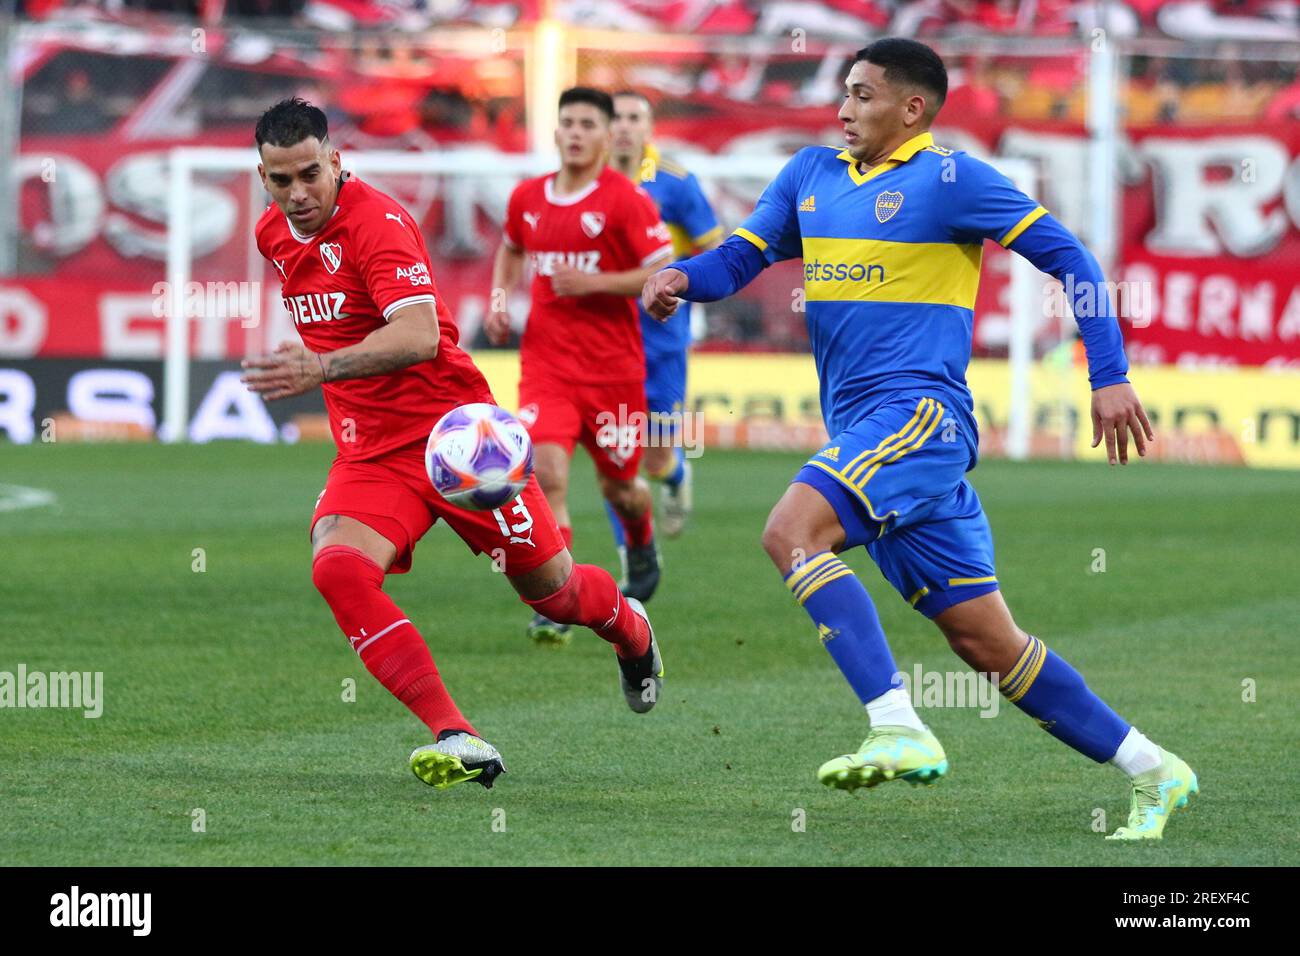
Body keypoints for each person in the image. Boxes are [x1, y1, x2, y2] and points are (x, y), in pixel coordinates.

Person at [642, 39, 1196, 841]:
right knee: (987, 644)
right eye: (843, 93)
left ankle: (896, 722)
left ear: (913, 108)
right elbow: (739, 258)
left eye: (863, 95)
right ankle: (1154, 768)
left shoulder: (952, 181)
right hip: (874, 435)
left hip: (919, 418)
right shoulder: (810, 176)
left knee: (790, 532)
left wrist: (1106, 374)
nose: (843, 109)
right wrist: (680, 279)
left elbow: (1070, 257)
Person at [242, 98, 664, 793]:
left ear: (337, 162)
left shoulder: (378, 223)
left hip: (457, 444)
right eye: (280, 180)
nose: (297, 194)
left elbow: (419, 337)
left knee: (556, 598)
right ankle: (456, 733)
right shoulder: (273, 235)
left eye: (310, 175)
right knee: (338, 570)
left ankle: (633, 632)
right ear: (263, 177)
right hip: (372, 452)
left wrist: (321, 366)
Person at [488, 87, 674, 644]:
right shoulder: (527, 197)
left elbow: (663, 271)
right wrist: (501, 300)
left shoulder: (625, 200)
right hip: (547, 364)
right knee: (544, 475)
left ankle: (640, 541)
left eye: (586, 124)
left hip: (613, 370)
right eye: (566, 121)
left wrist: (593, 283)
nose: (574, 132)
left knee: (622, 489)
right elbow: (511, 247)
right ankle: (557, 594)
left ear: (606, 134)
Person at [606, 89, 722, 542]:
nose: (624, 126)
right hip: (606, 340)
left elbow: (714, 248)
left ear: (649, 128)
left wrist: (680, 284)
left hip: (661, 339)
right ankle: (632, 561)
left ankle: (675, 477)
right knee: (618, 456)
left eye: (634, 117)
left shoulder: (674, 182)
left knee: (654, 459)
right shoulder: (586, 182)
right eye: (615, 116)